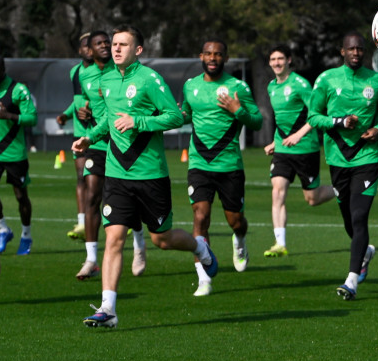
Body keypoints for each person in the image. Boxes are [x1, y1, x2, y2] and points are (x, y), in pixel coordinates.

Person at [72, 25, 218, 326]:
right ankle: (108, 310)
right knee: (114, 237)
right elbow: (111, 121)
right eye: (114, 44)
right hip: (117, 173)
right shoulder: (106, 79)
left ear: (138, 50)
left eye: (123, 45)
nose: (116, 49)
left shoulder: (150, 80)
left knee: (161, 239)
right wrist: (90, 137)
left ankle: (199, 247)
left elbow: (176, 117)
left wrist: (138, 121)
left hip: (151, 174)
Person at [308, 32, 378, 299]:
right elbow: (314, 117)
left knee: (359, 216)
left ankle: (351, 280)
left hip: (367, 158)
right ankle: (365, 251)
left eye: (359, 49)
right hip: (337, 159)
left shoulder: (377, 81)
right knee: (348, 219)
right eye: (351, 49)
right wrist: (341, 122)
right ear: (342, 52)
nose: (356, 53)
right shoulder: (326, 80)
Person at [180, 39, 263, 289]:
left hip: (229, 166)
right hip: (199, 163)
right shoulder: (190, 86)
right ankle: (203, 277)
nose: (212, 58)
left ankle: (240, 240)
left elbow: (257, 121)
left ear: (225, 58)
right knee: (200, 216)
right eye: (208, 53)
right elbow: (185, 114)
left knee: (235, 220)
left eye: (218, 54)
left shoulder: (237, 87)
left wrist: (238, 110)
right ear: (201, 57)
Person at [70, 31, 147, 281]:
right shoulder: (84, 75)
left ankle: (138, 241)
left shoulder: (124, 71)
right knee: (92, 193)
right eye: (99, 44)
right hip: (98, 143)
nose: (105, 46)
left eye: (107, 42)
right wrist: (84, 113)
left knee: (129, 199)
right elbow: (86, 104)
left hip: (124, 145)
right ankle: (91, 259)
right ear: (89, 51)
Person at [262, 44, 334, 257]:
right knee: (277, 191)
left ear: (289, 60)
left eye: (280, 59)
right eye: (273, 59)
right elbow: (283, 120)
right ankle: (280, 244)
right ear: (269, 62)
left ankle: (342, 188)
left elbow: (316, 114)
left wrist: (298, 136)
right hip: (283, 151)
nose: (277, 63)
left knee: (312, 199)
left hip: (305, 148)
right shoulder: (271, 87)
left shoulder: (301, 85)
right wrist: (277, 142)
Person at [0, 55, 37, 254]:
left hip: (14, 152)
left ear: (3, 71)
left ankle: (26, 235)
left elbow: (32, 118)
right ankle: (3, 229)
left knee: (21, 196)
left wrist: (9, 116)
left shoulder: (18, 90)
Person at [58, 32, 95, 241]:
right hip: (81, 133)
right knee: (81, 177)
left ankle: (120, 218)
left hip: (101, 132)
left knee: (106, 179)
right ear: (80, 50)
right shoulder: (74, 72)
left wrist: (94, 113)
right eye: (85, 46)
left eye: (92, 46)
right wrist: (66, 113)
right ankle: (81, 223)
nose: (88, 50)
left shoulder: (107, 71)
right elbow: (78, 100)